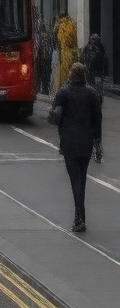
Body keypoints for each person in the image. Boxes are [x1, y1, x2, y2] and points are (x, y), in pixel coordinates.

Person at [50, 63, 103, 233]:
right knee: (82, 178)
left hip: (69, 142)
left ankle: (80, 217)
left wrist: (54, 117)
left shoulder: (63, 92)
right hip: (86, 142)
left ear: (71, 75)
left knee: (76, 181)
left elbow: (55, 116)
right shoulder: (92, 93)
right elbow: (97, 120)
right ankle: (79, 216)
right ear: (84, 75)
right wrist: (98, 143)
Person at [80, 33, 108, 98]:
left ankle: (98, 97)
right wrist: (83, 66)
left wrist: (105, 70)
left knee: (98, 85)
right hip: (89, 69)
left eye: (95, 39)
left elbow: (105, 59)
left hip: (98, 70)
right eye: (92, 39)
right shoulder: (87, 47)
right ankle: (92, 96)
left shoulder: (101, 48)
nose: (94, 41)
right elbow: (82, 57)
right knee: (90, 84)